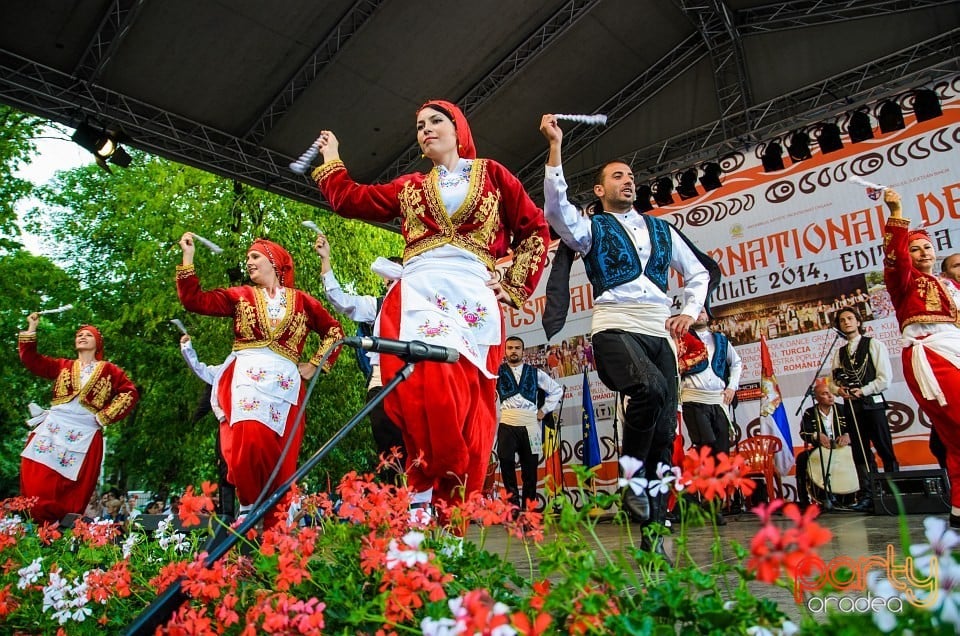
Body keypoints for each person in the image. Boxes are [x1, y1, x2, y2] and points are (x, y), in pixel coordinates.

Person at [311, 100, 550, 520]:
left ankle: (452, 504)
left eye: (436, 121)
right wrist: (332, 160)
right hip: (420, 292)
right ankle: (422, 489)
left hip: (475, 297)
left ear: (459, 130)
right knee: (428, 390)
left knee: (469, 406)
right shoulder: (409, 187)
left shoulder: (493, 175)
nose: (426, 129)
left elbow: (535, 231)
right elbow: (352, 199)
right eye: (420, 125)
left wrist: (515, 284)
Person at [539, 114, 719, 557]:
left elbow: (698, 272)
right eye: (618, 176)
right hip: (615, 326)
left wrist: (690, 311)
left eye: (631, 176)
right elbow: (557, 210)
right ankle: (631, 480)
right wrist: (555, 148)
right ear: (599, 191)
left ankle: (653, 535)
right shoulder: (591, 228)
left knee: (663, 431)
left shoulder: (663, 229)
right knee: (650, 389)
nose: (628, 180)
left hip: (659, 330)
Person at [176, 234, 344, 528]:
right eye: (248, 257)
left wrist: (316, 364)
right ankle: (248, 506)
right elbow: (195, 300)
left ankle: (275, 523)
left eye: (255, 257)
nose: (249, 261)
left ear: (274, 262)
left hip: (285, 383)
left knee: (279, 453)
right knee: (245, 447)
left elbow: (334, 332)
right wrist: (188, 258)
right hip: (246, 376)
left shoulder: (302, 301)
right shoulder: (240, 295)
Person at [882, 188, 960, 528]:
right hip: (932, 355)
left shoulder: (947, 285)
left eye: (927, 246)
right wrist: (897, 209)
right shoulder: (904, 282)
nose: (922, 252)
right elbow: (895, 257)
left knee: (955, 441)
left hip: (954, 351)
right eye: (914, 248)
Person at [18, 316, 139, 524]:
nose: (82, 337)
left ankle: (62, 529)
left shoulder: (110, 371)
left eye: (88, 335)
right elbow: (32, 360)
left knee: (73, 485)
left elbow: (129, 393)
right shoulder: (63, 366)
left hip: (85, 430)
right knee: (37, 477)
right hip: (54, 426)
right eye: (79, 335)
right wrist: (32, 327)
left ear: (97, 343)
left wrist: (103, 417)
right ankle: (39, 522)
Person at [315, 232, 406, 481]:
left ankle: (420, 505)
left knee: (417, 443)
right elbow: (341, 300)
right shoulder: (376, 305)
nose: (395, 286)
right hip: (381, 382)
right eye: (390, 282)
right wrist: (326, 261)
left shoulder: (422, 306)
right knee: (388, 445)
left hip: (414, 381)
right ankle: (393, 507)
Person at [829, 306, 898, 512]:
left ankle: (893, 494)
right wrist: (839, 390)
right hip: (851, 406)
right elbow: (832, 382)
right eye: (842, 320)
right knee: (860, 452)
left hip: (873, 404)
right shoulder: (839, 352)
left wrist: (864, 390)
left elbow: (885, 378)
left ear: (858, 321)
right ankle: (869, 496)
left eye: (850, 318)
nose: (846, 322)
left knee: (884, 448)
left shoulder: (874, 344)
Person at [679, 309, 742, 524]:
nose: (698, 315)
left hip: (718, 401)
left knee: (722, 453)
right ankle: (706, 499)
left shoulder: (721, 341)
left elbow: (737, 363)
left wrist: (732, 387)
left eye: (702, 312)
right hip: (694, 400)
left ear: (708, 316)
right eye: (694, 312)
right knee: (706, 448)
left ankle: (713, 504)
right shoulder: (682, 339)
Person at [496, 336, 563, 513]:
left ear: (523, 351)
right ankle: (513, 508)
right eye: (510, 348)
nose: (513, 351)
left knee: (530, 469)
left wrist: (543, 411)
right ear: (505, 351)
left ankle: (529, 510)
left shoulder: (535, 373)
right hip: (507, 422)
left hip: (529, 423)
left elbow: (556, 390)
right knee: (506, 463)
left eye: (517, 348)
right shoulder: (497, 372)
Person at [179, 333, 237, 519]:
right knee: (226, 468)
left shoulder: (264, 364)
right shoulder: (226, 368)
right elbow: (200, 369)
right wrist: (188, 349)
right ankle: (227, 515)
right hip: (230, 426)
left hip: (256, 423)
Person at [796, 379, 853, 510]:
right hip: (821, 449)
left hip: (843, 448)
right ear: (816, 398)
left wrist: (848, 436)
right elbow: (804, 432)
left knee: (864, 456)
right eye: (825, 394)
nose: (830, 396)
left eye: (831, 393)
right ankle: (805, 501)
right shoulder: (810, 412)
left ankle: (859, 495)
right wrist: (817, 435)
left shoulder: (843, 409)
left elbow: (856, 428)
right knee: (802, 458)